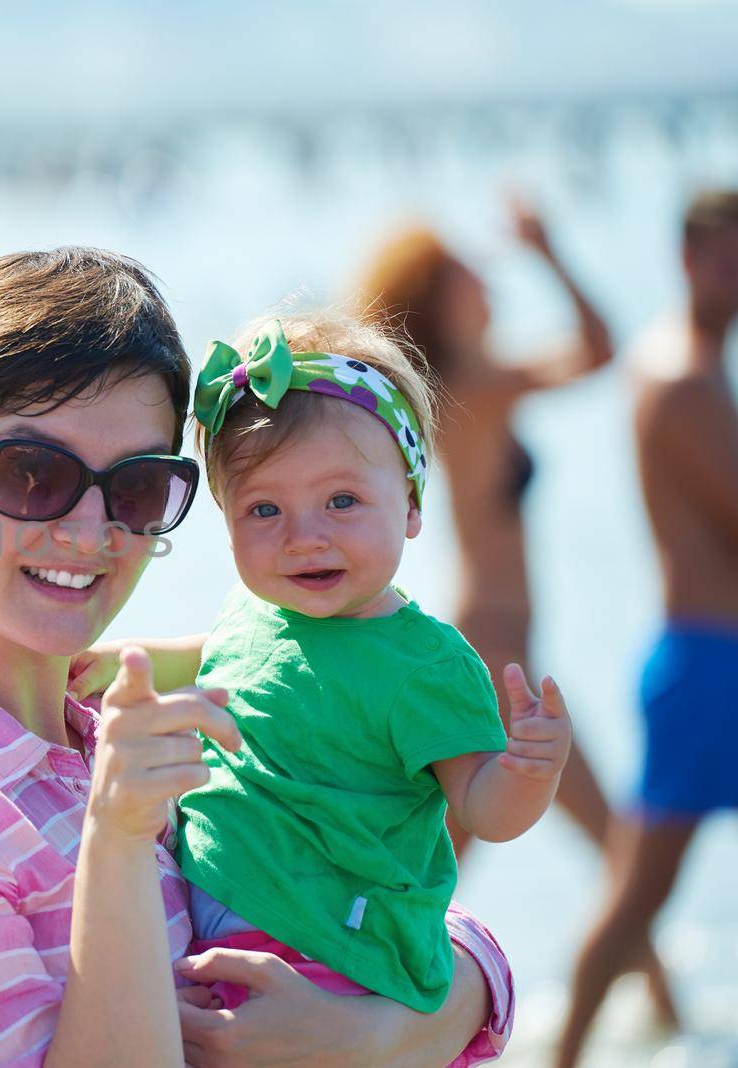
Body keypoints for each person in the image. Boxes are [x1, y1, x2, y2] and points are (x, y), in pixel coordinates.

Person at [0, 248, 514, 1067]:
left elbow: (385, 899)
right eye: (32, 473)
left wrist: (385, 1031)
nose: (90, 532)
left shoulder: (116, 730)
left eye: (135, 486)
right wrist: (118, 841)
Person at [72, 313, 570, 1016]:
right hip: (214, 912)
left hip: (333, 948)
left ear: (411, 504)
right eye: (265, 509)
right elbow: (215, 661)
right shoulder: (255, 610)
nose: (305, 538)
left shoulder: (424, 663)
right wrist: (110, 663)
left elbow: (481, 805)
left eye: (342, 501)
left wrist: (528, 774)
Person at [351, 203, 681, 1024]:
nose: (485, 279)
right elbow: (602, 348)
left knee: (453, 861)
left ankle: (376, 1001)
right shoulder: (476, 385)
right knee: (613, 841)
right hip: (495, 650)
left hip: (495, 649)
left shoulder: (470, 383)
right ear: (438, 294)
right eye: (468, 271)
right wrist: (550, 247)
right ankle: (667, 1021)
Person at [554, 189, 738, 1068]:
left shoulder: (702, 362)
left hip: (714, 661)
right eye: (727, 257)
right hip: (709, 668)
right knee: (637, 896)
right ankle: (562, 1055)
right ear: (689, 257)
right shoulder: (680, 372)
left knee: (637, 892)